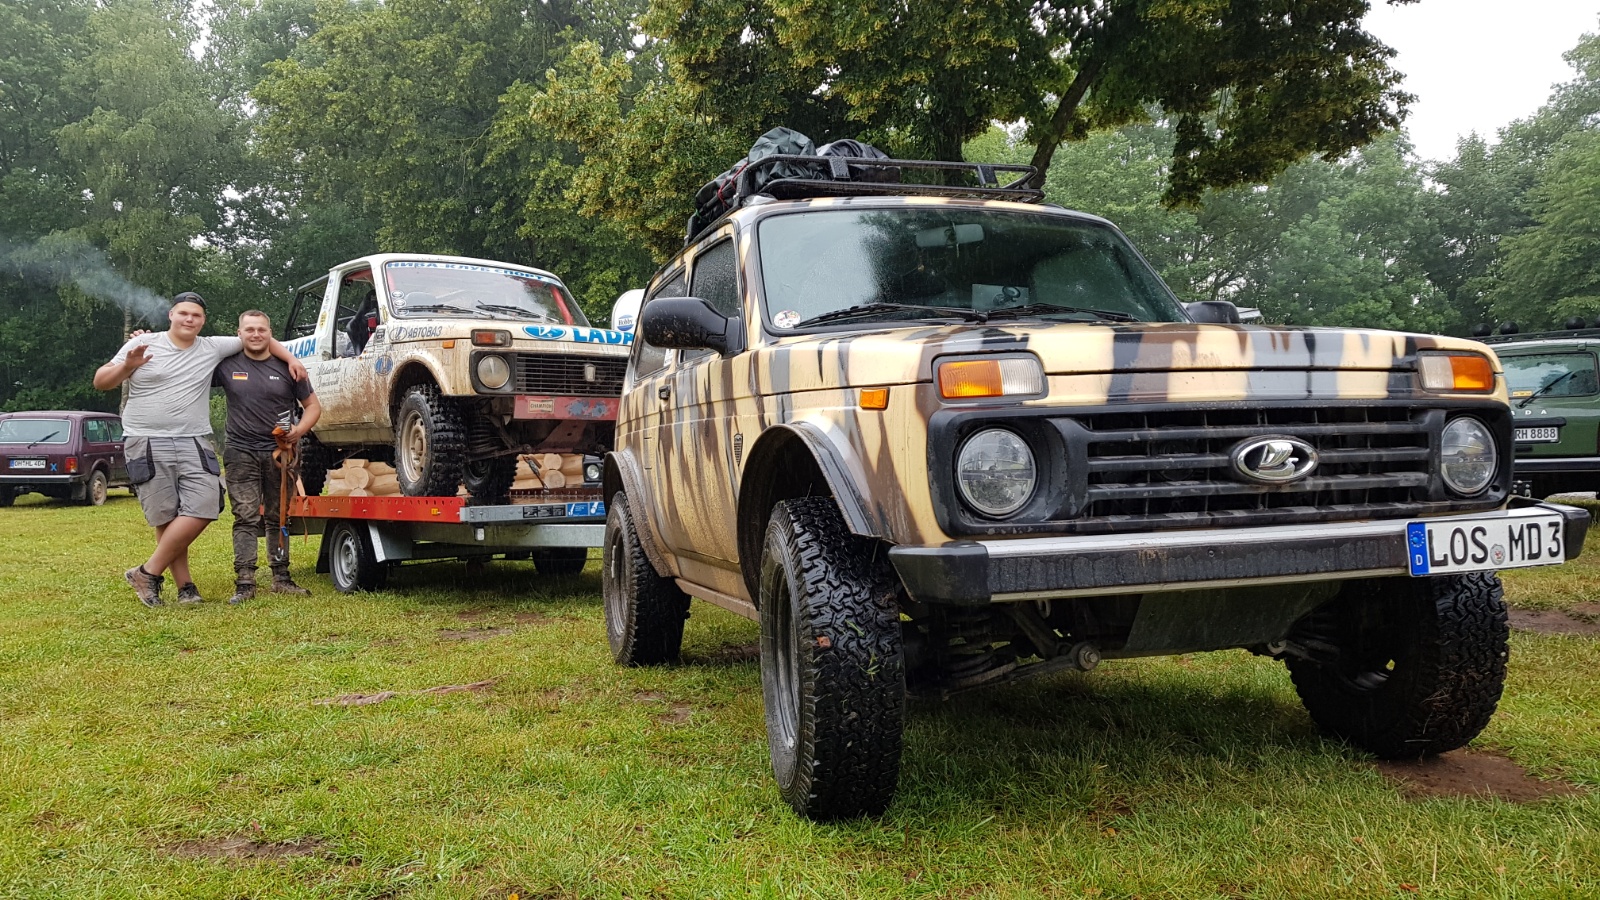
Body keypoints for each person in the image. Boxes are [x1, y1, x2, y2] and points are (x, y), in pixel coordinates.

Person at [94, 292, 306, 607]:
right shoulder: (144, 343)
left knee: (207, 505)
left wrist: (291, 359)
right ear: (171, 315)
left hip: (193, 439)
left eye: (196, 315)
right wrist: (128, 365)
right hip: (146, 439)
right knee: (167, 516)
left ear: (203, 320)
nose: (189, 319)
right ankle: (186, 588)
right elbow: (101, 382)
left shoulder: (211, 347)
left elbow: (257, 337)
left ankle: (146, 572)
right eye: (183, 313)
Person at [213, 310, 323, 604]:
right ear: (239, 333)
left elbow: (313, 406)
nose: (256, 334)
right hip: (240, 452)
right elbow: (187, 367)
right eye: (249, 329)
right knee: (245, 516)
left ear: (270, 333)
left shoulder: (290, 368)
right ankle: (244, 582)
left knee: (279, 515)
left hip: (280, 453)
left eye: (261, 329)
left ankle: (281, 578)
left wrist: (299, 431)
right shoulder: (225, 365)